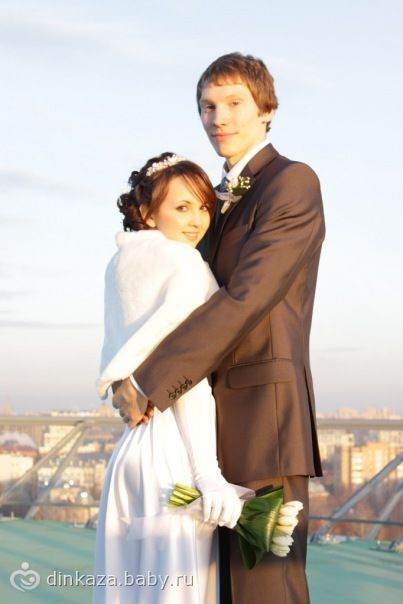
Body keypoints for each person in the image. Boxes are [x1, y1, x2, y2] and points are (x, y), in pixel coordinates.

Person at [112, 52, 326, 604]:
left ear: (267, 110)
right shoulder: (213, 200)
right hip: (200, 429)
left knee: (265, 591)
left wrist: (148, 382)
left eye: (233, 103)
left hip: (263, 424)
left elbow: (244, 299)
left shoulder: (291, 183)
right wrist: (122, 371)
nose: (218, 117)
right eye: (208, 106)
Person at [92, 153, 243, 604]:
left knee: (124, 588)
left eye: (203, 207)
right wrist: (208, 474)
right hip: (173, 453)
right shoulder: (185, 265)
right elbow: (188, 377)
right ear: (147, 212)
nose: (197, 220)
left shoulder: (119, 264)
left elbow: (124, 361)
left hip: (130, 452)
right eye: (182, 207)